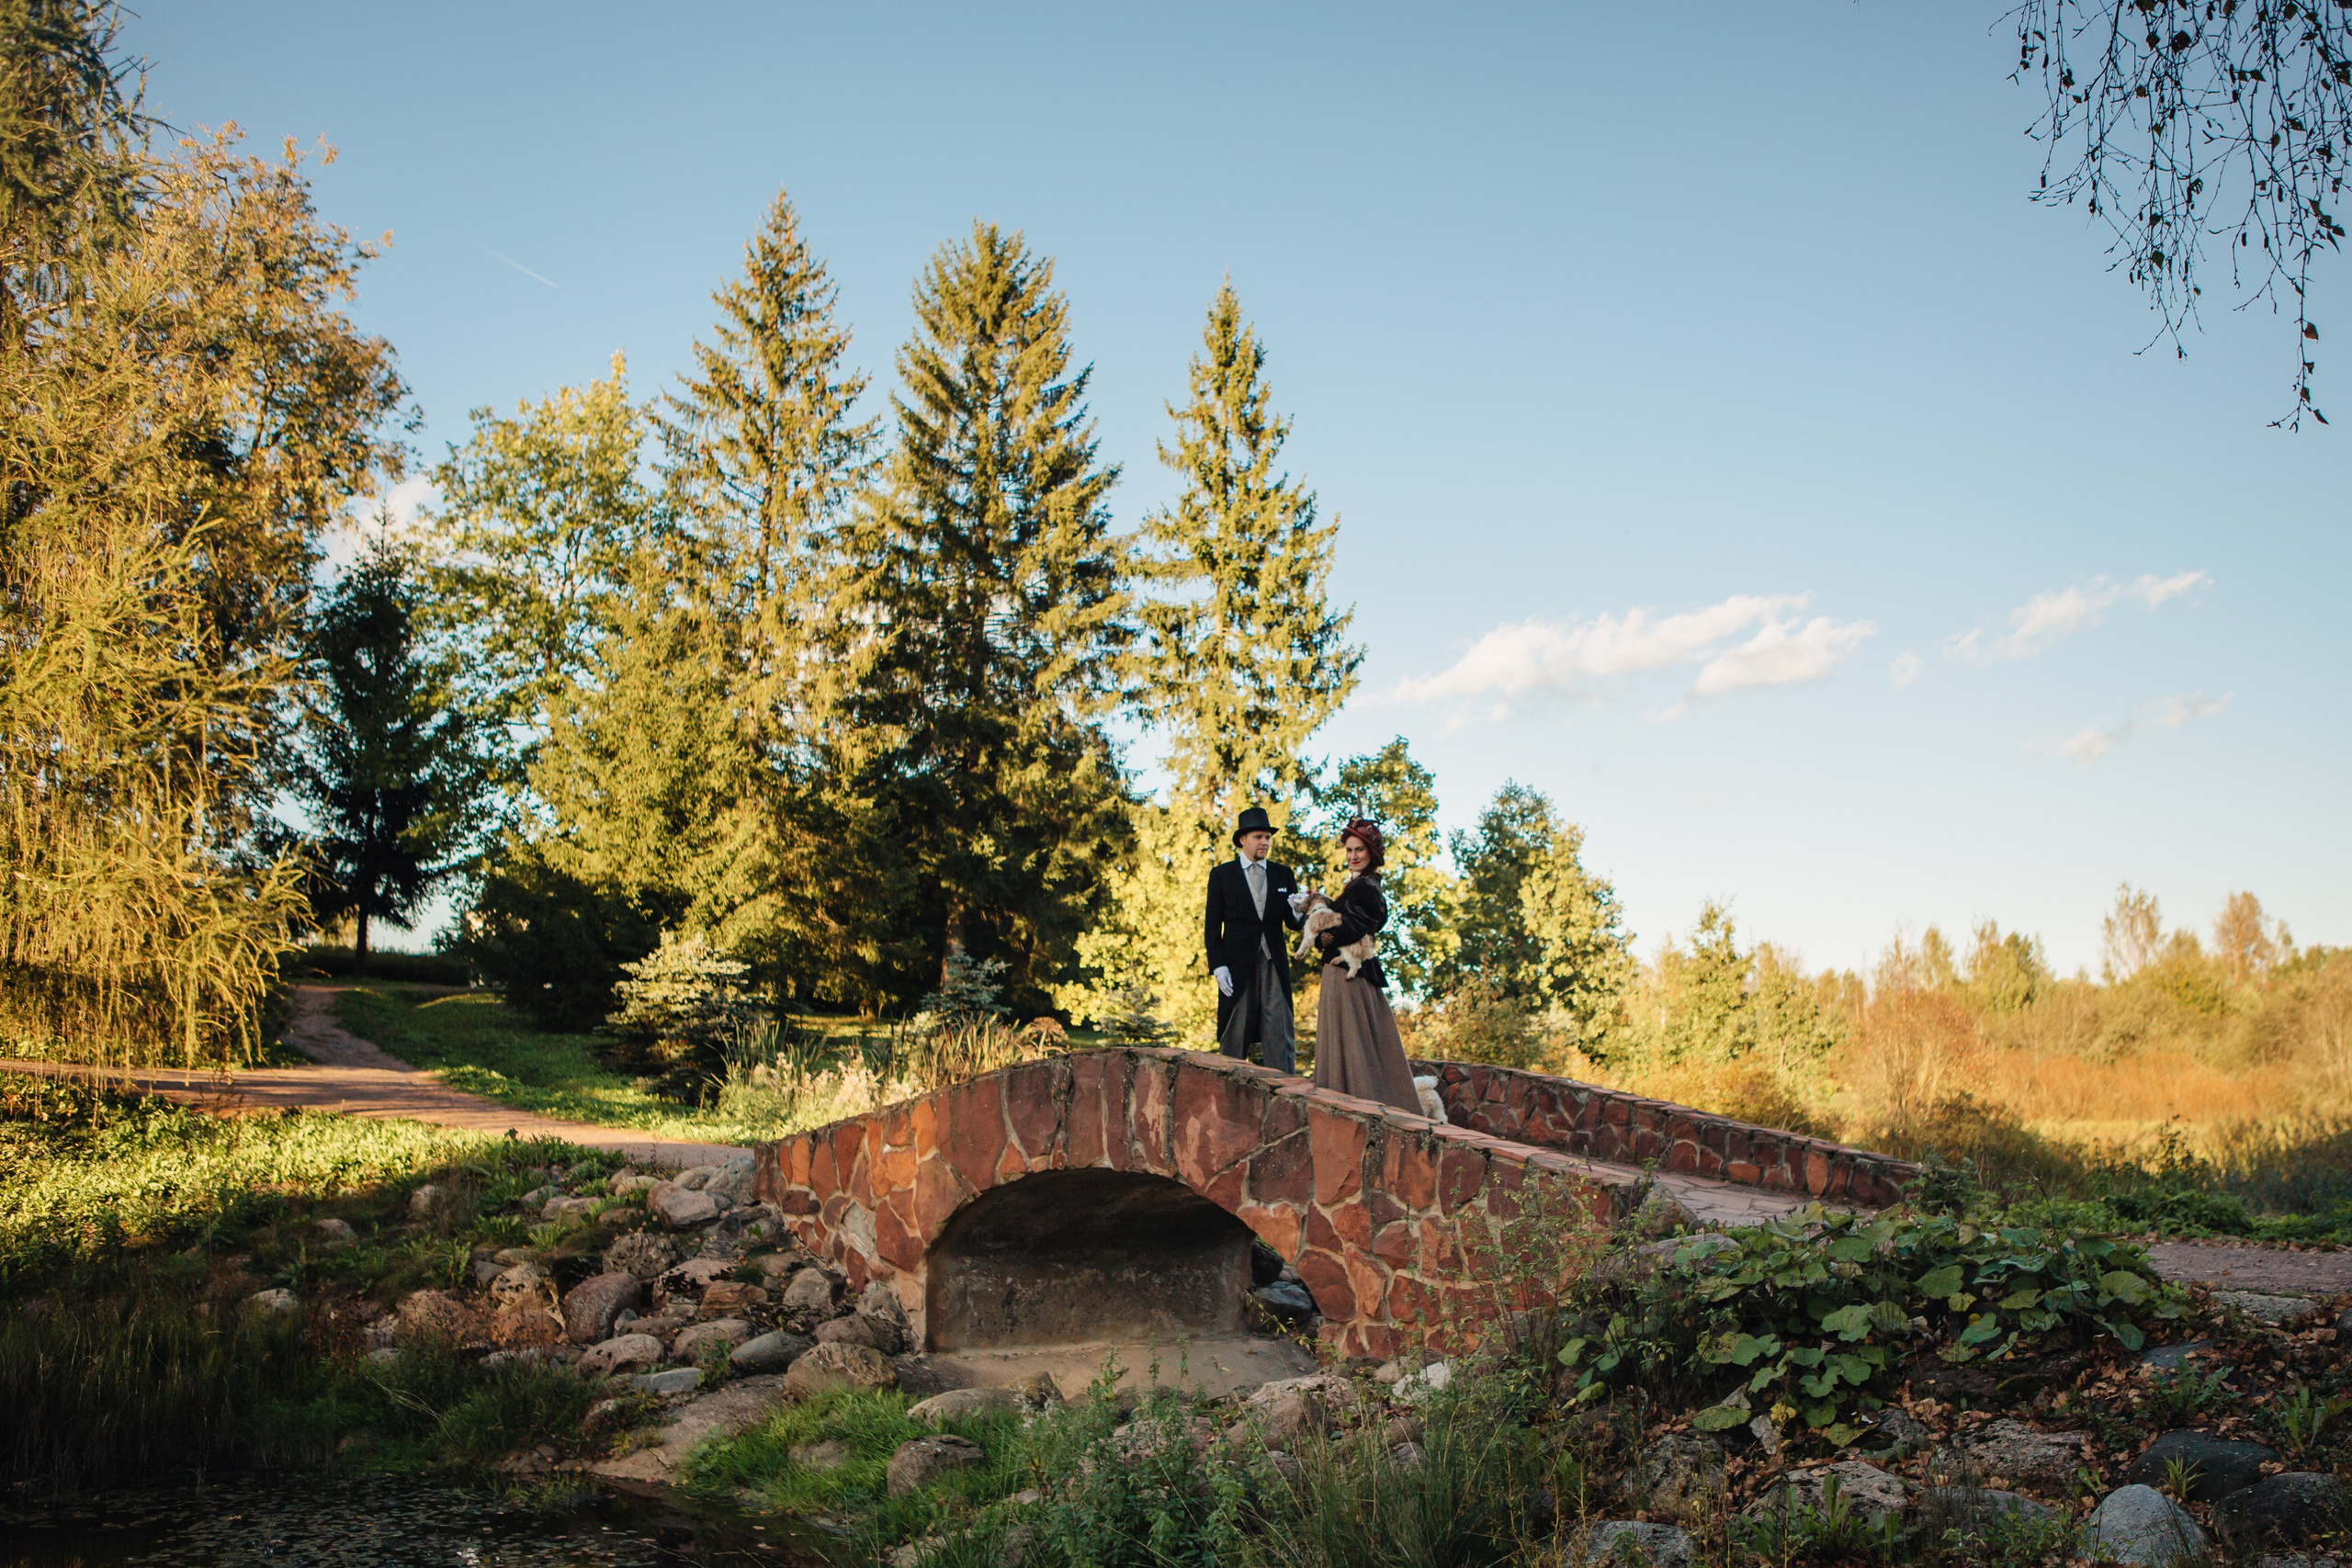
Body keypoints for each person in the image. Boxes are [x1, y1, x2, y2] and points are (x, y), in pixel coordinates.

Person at [1309, 818, 1420, 1113]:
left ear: (1372, 852)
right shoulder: (1361, 885)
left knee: (1353, 1042)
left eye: (1360, 849)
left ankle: (1355, 1107)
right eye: (1349, 850)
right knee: (1354, 1042)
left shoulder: (1365, 886)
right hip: (1347, 968)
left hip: (1348, 973)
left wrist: (1321, 938)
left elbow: (1357, 927)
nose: (1353, 855)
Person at [1204, 806, 1304, 1073]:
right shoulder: (1222, 875)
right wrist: (1219, 966)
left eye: (1268, 837)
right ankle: (1226, 1093)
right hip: (1237, 967)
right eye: (1259, 837)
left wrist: (1297, 910)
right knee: (1234, 1034)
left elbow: (1293, 924)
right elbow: (1212, 928)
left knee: (1280, 1032)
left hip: (1274, 963)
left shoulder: (1283, 874)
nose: (1265, 842)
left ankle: (1286, 1097)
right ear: (1242, 840)